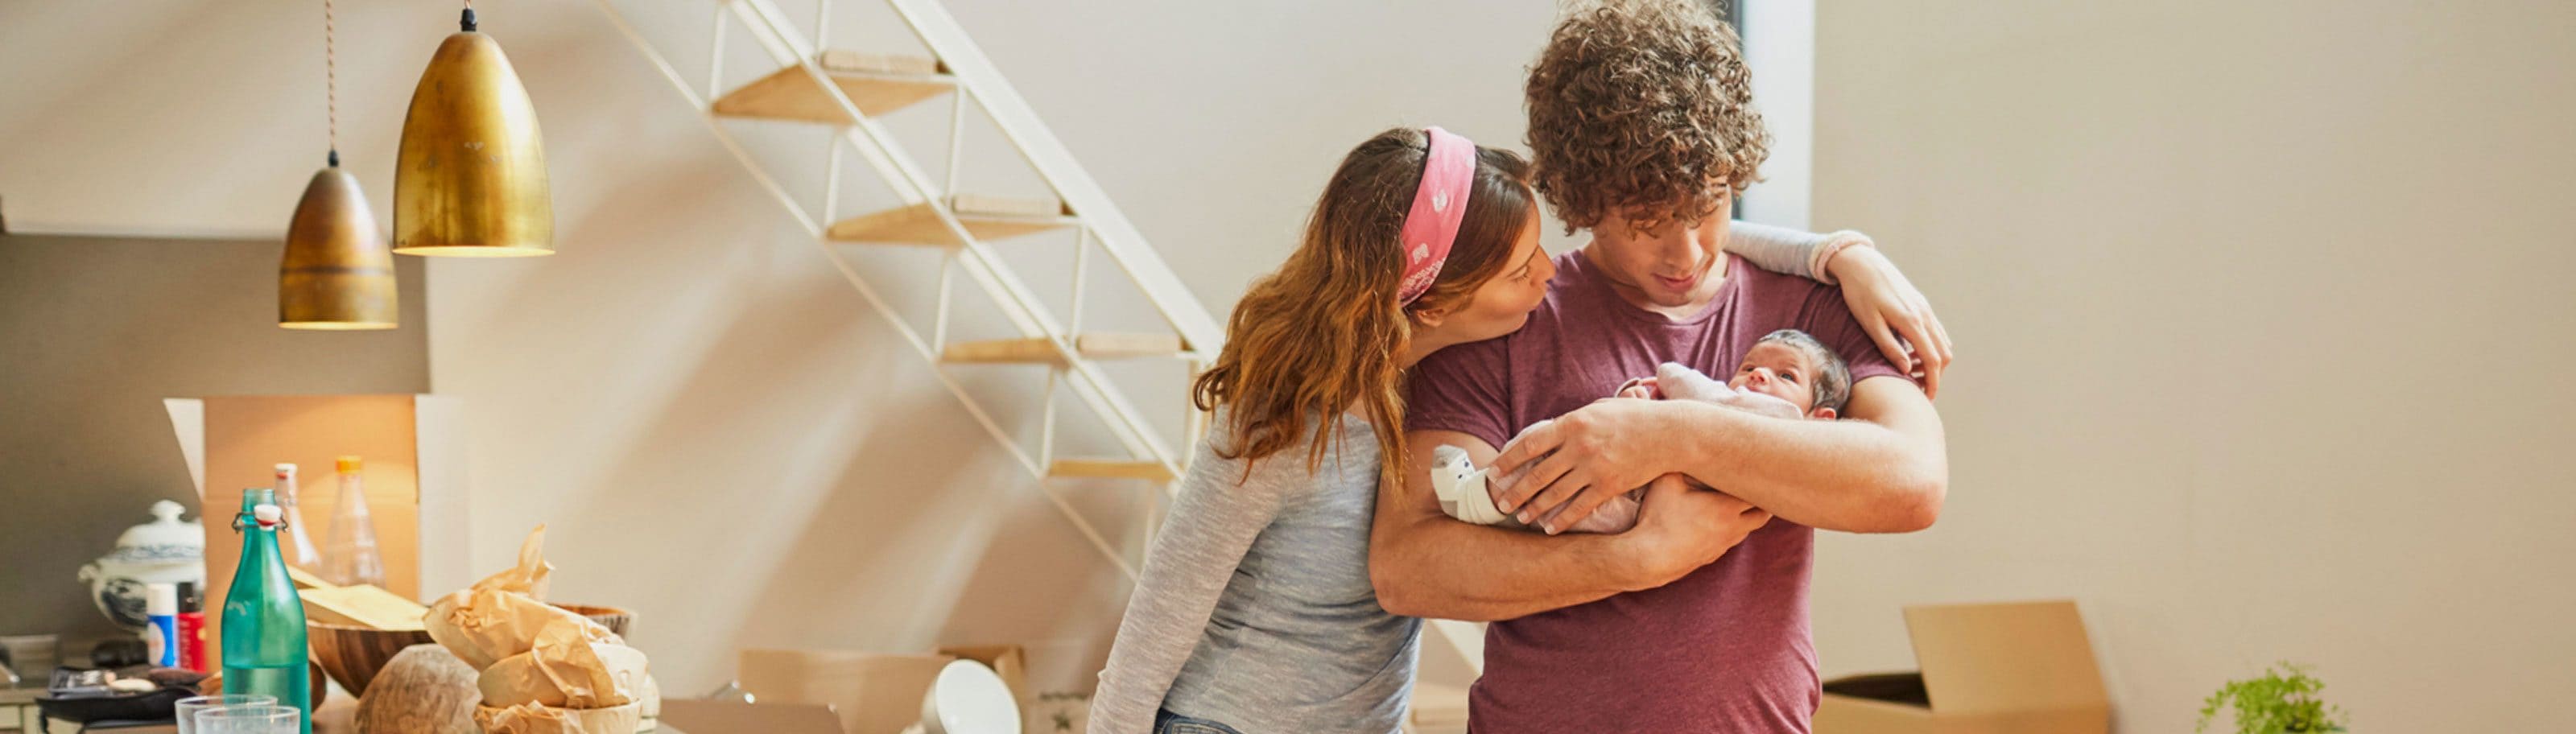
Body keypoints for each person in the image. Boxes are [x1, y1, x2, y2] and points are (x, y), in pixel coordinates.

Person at [1089, 126, 1943, 734]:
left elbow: (1686, 233)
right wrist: (1642, 553)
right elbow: (1162, 615)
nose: (1548, 271)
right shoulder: (1280, 422)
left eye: (1539, 247)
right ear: (1434, 297)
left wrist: (1837, 252)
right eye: (1518, 267)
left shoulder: (1409, 377)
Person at [1371, 1, 1956, 732]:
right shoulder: (1508, 320)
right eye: (1645, 224)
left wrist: (1669, 435)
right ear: (1585, 202)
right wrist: (1636, 559)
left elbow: (1912, 484)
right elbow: (1408, 566)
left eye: (1708, 207)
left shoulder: (1810, 310)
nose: (1686, 254)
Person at [1431, 328, 1852, 534]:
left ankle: (1476, 501)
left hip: (1638, 507)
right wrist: (1637, 400)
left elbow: (1698, 401)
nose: (1759, 375)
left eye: (1786, 375)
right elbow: (1652, 427)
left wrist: (1669, 376)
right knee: (1557, 443)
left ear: (1819, 420)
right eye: (1750, 366)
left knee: (1564, 491)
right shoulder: (1728, 405)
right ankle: (1481, 496)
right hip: (1635, 488)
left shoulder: (1780, 422)